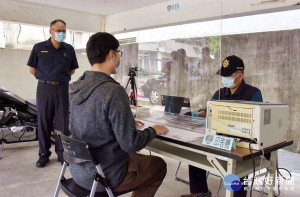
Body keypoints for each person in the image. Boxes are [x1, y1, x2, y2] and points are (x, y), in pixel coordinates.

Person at [69, 32, 169, 197]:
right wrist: (154, 130)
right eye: (119, 53)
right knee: (158, 166)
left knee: (136, 159)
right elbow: (130, 144)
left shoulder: (76, 87)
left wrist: (123, 122)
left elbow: (88, 121)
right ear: (111, 54)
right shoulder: (113, 90)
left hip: (78, 171)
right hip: (105, 175)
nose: (119, 59)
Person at [182, 55, 263, 197]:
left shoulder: (253, 94)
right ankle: (200, 192)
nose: (224, 79)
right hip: (219, 138)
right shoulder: (220, 93)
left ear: (240, 75)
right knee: (196, 152)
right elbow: (208, 111)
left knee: (238, 168)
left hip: (241, 144)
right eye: (223, 75)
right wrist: (194, 115)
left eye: (228, 75)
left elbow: (256, 122)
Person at [27, 19, 79, 168]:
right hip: (44, 89)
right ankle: (43, 154)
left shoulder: (69, 49)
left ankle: (62, 154)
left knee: (62, 123)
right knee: (44, 122)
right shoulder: (39, 48)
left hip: (62, 89)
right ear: (50, 31)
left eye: (64, 31)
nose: (61, 34)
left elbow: (72, 69)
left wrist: (59, 78)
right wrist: (46, 77)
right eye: (58, 31)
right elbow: (32, 69)